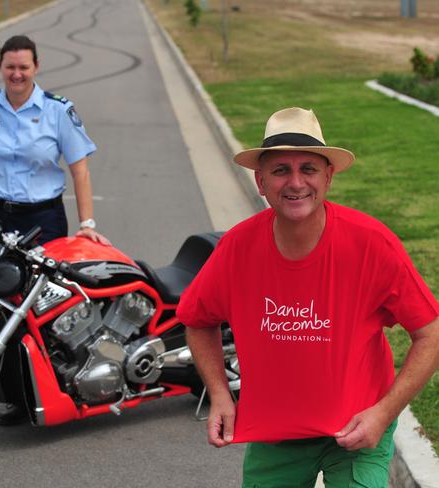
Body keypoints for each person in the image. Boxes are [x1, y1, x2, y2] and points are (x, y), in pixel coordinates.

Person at [177, 107, 439, 487]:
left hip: (358, 433)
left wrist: (383, 414)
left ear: (328, 177)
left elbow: (430, 333)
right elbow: (198, 320)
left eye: (309, 169)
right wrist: (219, 394)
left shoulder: (371, 244)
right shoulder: (238, 248)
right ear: (260, 181)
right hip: (276, 437)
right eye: (281, 169)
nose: (295, 182)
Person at [0, 35, 109, 425]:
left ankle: (54, 390)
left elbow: (79, 168)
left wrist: (87, 225)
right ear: (0, 66)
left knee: (42, 309)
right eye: (10, 66)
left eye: (24, 66)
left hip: (41, 221)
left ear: (36, 67)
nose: (16, 73)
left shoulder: (58, 112)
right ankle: (14, 395)